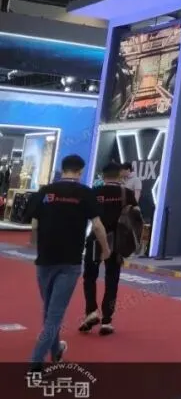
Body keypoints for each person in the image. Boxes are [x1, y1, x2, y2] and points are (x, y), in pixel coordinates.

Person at [26, 154, 111, 369]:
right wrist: (106, 249)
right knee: (54, 315)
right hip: (70, 261)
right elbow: (97, 226)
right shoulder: (85, 193)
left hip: (45, 259)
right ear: (80, 171)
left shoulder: (45, 192)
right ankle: (36, 362)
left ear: (62, 169)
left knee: (49, 311)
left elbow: (34, 225)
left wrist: (36, 245)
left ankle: (56, 351)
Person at [79, 162, 138, 336]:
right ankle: (107, 321)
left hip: (95, 239)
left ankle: (91, 312)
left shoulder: (94, 193)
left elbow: (85, 216)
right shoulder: (127, 193)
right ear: (119, 175)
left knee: (90, 276)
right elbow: (136, 217)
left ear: (103, 176)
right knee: (112, 279)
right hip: (118, 241)